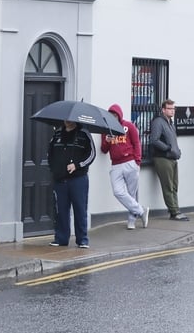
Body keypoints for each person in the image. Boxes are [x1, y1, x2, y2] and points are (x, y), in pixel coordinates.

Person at [47, 120, 95, 248]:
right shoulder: (56, 134)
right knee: (60, 210)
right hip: (60, 179)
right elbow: (50, 154)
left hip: (78, 179)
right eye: (65, 119)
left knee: (80, 209)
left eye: (70, 119)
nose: (67, 121)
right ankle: (61, 238)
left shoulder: (84, 134)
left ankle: (82, 239)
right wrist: (54, 169)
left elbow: (91, 155)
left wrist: (77, 165)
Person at [101, 104, 149, 230]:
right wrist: (107, 140)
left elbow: (137, 143)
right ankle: (141, 211)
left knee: (132, 193)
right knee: (118, 192)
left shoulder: (129, 126)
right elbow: (104, 150)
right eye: (111, 115)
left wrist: (137, 161)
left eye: (115, 115)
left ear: (119, 115)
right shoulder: (106, 129)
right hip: (116, 164)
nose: (113, 117)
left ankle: (131, 221)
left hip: (130, 162)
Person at [150, 99, 189, 221]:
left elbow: (173, 140)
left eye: (173, 109)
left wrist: (177, 151)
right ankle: (174, 212)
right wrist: (168, 149)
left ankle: (175, 209)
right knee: (168, 186)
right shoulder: (158, 122)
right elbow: (154, 140)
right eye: (170, 109)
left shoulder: (170, 123)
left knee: (174, 185)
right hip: (163, 158)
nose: (172, 111)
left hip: (172, 158)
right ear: (163, 110)